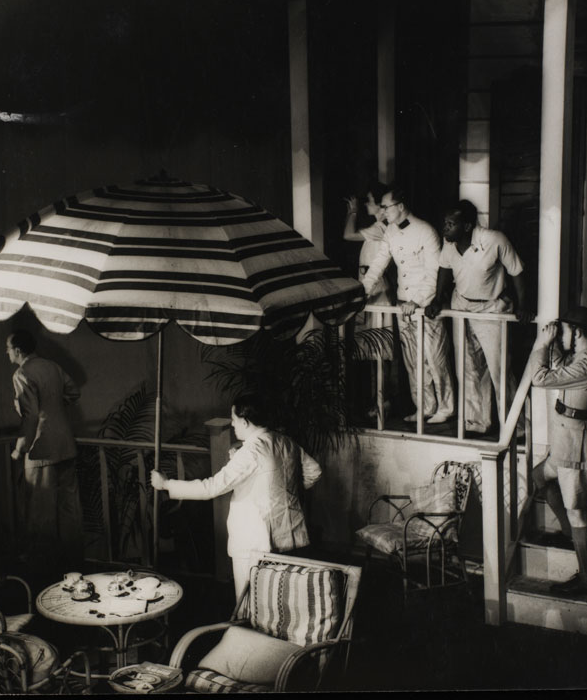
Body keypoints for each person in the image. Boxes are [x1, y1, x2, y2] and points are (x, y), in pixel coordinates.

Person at [150, 393, 322, 601]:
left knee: (250, 601)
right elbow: (314, 471)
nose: (232, 424)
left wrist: (166, 484)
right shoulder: (285, 442)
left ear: (246, 421)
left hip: (255, 541)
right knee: (280, 600)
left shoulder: (251, 451)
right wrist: (286, 492)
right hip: (289, 532)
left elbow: (211, 488)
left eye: (234, 419)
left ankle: (245, 630)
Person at [427, 200, 528, 434]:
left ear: (467, 226)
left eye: (451, 224)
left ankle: (517, 426)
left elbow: (517, 272)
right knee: (468, 366)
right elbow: (444, 269)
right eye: (445, 223)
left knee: (499, 369)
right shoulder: (449, 243)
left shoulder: (494, 240)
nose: (445, 228)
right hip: (461, 304)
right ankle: (476, 422)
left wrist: (523, 306)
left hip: (491, 308)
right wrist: (437, 299)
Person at [529, 306, 587, 597]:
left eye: (565, 331)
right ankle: (571, 534)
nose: (561, 335)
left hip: (577, 445)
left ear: (577, 332)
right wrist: (554, 346)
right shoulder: (583, 358)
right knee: (540, 476)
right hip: (566, 438)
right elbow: (562, 366)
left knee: (577, 511)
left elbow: (540, 378)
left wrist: (540, 345)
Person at [360, 184, 455, 425]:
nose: (384, 211)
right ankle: (424, 406)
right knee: (413, 361)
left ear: (400, 207)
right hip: (404, 305)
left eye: (386, 206)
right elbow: (379, 263)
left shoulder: (426, 231)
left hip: (424, 305)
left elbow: (435, 271)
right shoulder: (390, 232)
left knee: (435, 359)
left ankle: (446, 407)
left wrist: (418, 301)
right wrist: (362, 290)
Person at [6, 329, 84, 567]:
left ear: (18, 350)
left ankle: (43, 570)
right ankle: (73, 564)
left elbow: (29, 417)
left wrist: (20, 448)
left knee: (40, 514)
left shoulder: (22, 373)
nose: (6, 352)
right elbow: (74, 391)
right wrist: (53, 410)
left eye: (8, 348)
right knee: (69, 510)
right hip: (66, 444)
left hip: (42, 448)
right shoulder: (52, 366)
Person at [343, 182, 395, 419]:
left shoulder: (382, 228)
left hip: (377, 292)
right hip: (368, 289)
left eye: (370, 201)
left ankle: (382, 401)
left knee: (379, 353)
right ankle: (378, 400)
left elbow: (347, 234)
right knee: (372, 353)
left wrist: (352, 211)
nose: (366, 205)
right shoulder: (377, 226)